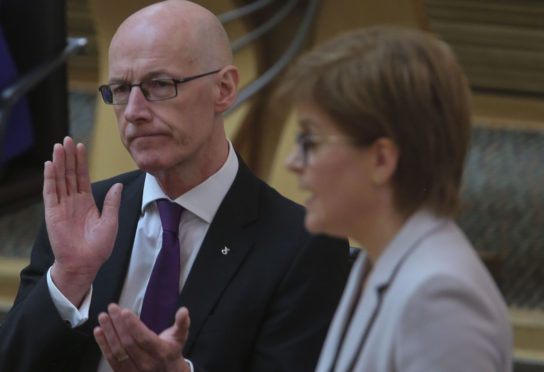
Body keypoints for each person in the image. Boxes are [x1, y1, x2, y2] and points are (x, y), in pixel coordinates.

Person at [0, 1, 350, 371]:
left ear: (224, 89)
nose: (133, 110)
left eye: (160, 85)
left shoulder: (303, 244)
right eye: (120, 89)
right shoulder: (87, 210)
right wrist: (69, 278)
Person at [280, 26, 513, 371]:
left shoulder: (438, 294)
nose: (293, 162)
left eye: (311, 140)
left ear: (381, 160)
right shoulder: (377, 262)